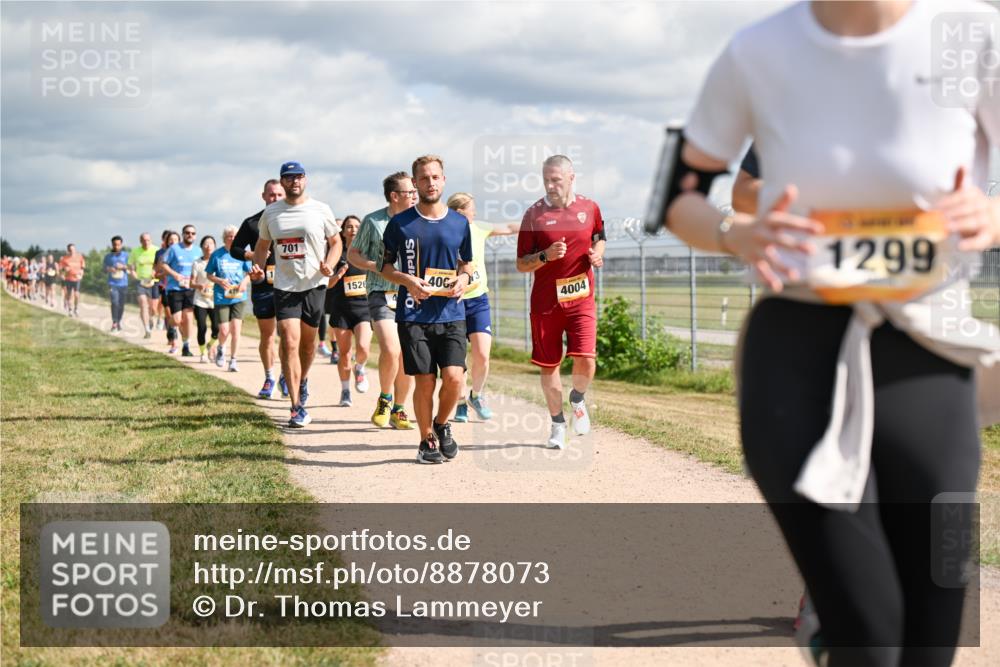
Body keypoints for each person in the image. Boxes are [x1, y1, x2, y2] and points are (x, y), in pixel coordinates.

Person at [664, 2, 999, 664]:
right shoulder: (757, 50)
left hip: (928, 350)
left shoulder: (974, 38)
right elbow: (678, 193)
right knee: (868, 633)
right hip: (797, 352)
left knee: (933, 634)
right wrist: (736, 232)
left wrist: (991, 210)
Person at [380, 155, 473, 464]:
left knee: (455, 378)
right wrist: (406, 280)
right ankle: (426, 440)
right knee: (425, 381)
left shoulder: (459, 223)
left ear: (443, 180)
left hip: (452, 313)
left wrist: (463, 277)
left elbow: (466, 262)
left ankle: (442, 424)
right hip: (413, 314)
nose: (430, 182)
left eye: (435, 177)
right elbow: (385, 266)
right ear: (415, 183)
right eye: (424, 178)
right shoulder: (400, 224)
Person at [516, 155, 605, 450]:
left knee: (586, 359)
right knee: (549, 365)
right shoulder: (534, 215)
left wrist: (597, 253)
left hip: (581, 299)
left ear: (571, 177)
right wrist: (545, 256)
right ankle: (557, 425)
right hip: (546, 303)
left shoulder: (589, 207)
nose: (551, 185)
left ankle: (577, 398)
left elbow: (599, 236)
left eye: (556, 179)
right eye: (546, 180)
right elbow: (521, 263)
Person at [250, 161, 341, 428]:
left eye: (298, 177)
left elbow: (336, 243)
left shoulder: (321, 209)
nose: (294, 182)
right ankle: (296, 408)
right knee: (289, 342)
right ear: (282, 181)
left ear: (305, 180)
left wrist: (330, 264)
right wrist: (257, 266)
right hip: (285, 285)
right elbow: (262, 245)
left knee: (308, 345)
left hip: (314, 284)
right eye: (289, 178)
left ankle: (302, 382)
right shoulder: (272, 213)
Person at [348, 171, 418, 430]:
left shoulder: (419, 219)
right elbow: (353, 254)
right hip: (381, 292)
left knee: (408, 356)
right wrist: (377, 267)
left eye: (414, 192)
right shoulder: (373, 221)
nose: (414, 196)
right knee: (391, 349)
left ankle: (400, 409)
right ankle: (385, 398)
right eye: (409, 192)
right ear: (394, 196)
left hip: (411, 294)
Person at [446, 193, 518, 422]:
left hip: (478, 300)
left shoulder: (479, 228)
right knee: (458, 360)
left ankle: (476, 396)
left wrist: (536, 222)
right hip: (452, 302)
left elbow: (507, 227)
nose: (475, 212)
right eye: (471, 208)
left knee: (482, 355)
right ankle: (459, 403)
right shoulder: (444, 232)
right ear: (459, 212)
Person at [231, 178, 285, 398]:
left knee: (288, 335)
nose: (275, 198)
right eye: (271, 195)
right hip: (262, 284)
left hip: (288, 284)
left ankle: (286, 374)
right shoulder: (253, 222)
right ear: (263, 196)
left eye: (279, 195)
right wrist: (251, 255)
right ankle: (270, 376)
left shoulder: (292, 221)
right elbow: (235, 248)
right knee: (267, 335)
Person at [327, 215, 372, 407]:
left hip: (364, 308)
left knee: (363, 347)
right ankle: (345, 391)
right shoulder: (336, 253)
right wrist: (338, 275)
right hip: (341, 309)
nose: (353, 230)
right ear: (343, 231)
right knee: (344, 353)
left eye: (356, 226)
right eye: (349, 227)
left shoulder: (367, 253)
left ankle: (360, 368)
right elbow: (327, 284)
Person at [207, 225, 252, 372]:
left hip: (239, 296)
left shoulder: (241, 253)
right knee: (224, 330)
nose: (232, 238)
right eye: (229, 236)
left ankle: (233, 360)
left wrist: (245, 282)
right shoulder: (217, 254)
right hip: (222, 296)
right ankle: (221, 347)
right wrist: (219, 280)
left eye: (234, 236)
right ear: (224, 238)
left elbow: (250, 273)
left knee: (236, 330)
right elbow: (209, 274)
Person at [160, 224, 199, 356]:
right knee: (177, 320)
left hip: (190, 289)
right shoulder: (174, 249)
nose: (190, 235)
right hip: (175, 288)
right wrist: (175, 274)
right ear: (183, 234)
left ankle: (186, 346)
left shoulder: (198, 251)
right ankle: (170, 326)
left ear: (195, 236)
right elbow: (163, 264)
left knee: (188, 319)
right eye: (187, 233)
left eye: (193, 233)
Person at [190, 235, 220, 363]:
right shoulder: (197, 263)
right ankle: (203, 354)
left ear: (215, 247)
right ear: (202, 247)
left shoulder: (218, 261)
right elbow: (191, 283)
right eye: (205, 244)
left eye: (211, 244)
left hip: (215, 300)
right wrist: (199, 285)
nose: (208, 246)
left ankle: (210, 345)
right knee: (202, 327)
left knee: (217, 328)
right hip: (200, 300)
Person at [129, 233, 159, 338]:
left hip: (154, 281)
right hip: (140, 281)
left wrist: (155, 272)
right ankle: (147, 329)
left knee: (154, 308)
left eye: (148, 240)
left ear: (151, 240)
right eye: (144, 240)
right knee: (143, 303)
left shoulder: (156, 250)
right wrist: (134, 275)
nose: (146, 242)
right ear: (140, 241)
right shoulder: (135, 251)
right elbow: (131, 267)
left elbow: (161, 265)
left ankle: (150, 318)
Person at [103, 235, 130, 333]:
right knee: (114, 302)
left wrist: (123, 266)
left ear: (121, 245)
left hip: (123, 283)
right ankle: (114, 322)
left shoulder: (126, 255)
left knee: (121, 305)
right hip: (112, 283)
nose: (116, 246)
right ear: (112, 245)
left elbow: (131, 267)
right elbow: (104, 269)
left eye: (118, 245)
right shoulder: (108, 257)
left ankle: (119, 321)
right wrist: (109, 269)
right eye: (115, 245)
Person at [58, 243, 86, 316]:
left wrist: (81, 273)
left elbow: (83, 266)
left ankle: (76, 308)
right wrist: (64, 270)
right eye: (70, 250)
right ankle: (70, 309)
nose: (72, 251)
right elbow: (60, 269)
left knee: (76, 295)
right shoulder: (64, 258)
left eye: (73, 249)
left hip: (77, 278)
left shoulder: (79, 257)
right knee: (69, 295)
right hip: (68, 278)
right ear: (68, 250)